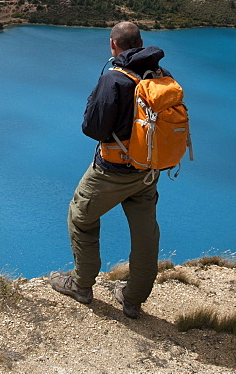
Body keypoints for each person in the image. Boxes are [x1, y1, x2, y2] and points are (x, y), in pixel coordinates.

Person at [49, 21, 165, 319]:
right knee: (144, 234)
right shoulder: (160, 75)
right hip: (148, 171)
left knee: (81, 216)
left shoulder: (114, 79)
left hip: (112, 171)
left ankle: (81, 284)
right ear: (140, 42)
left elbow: (93, 128)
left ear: (113, 45)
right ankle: (132, 299)